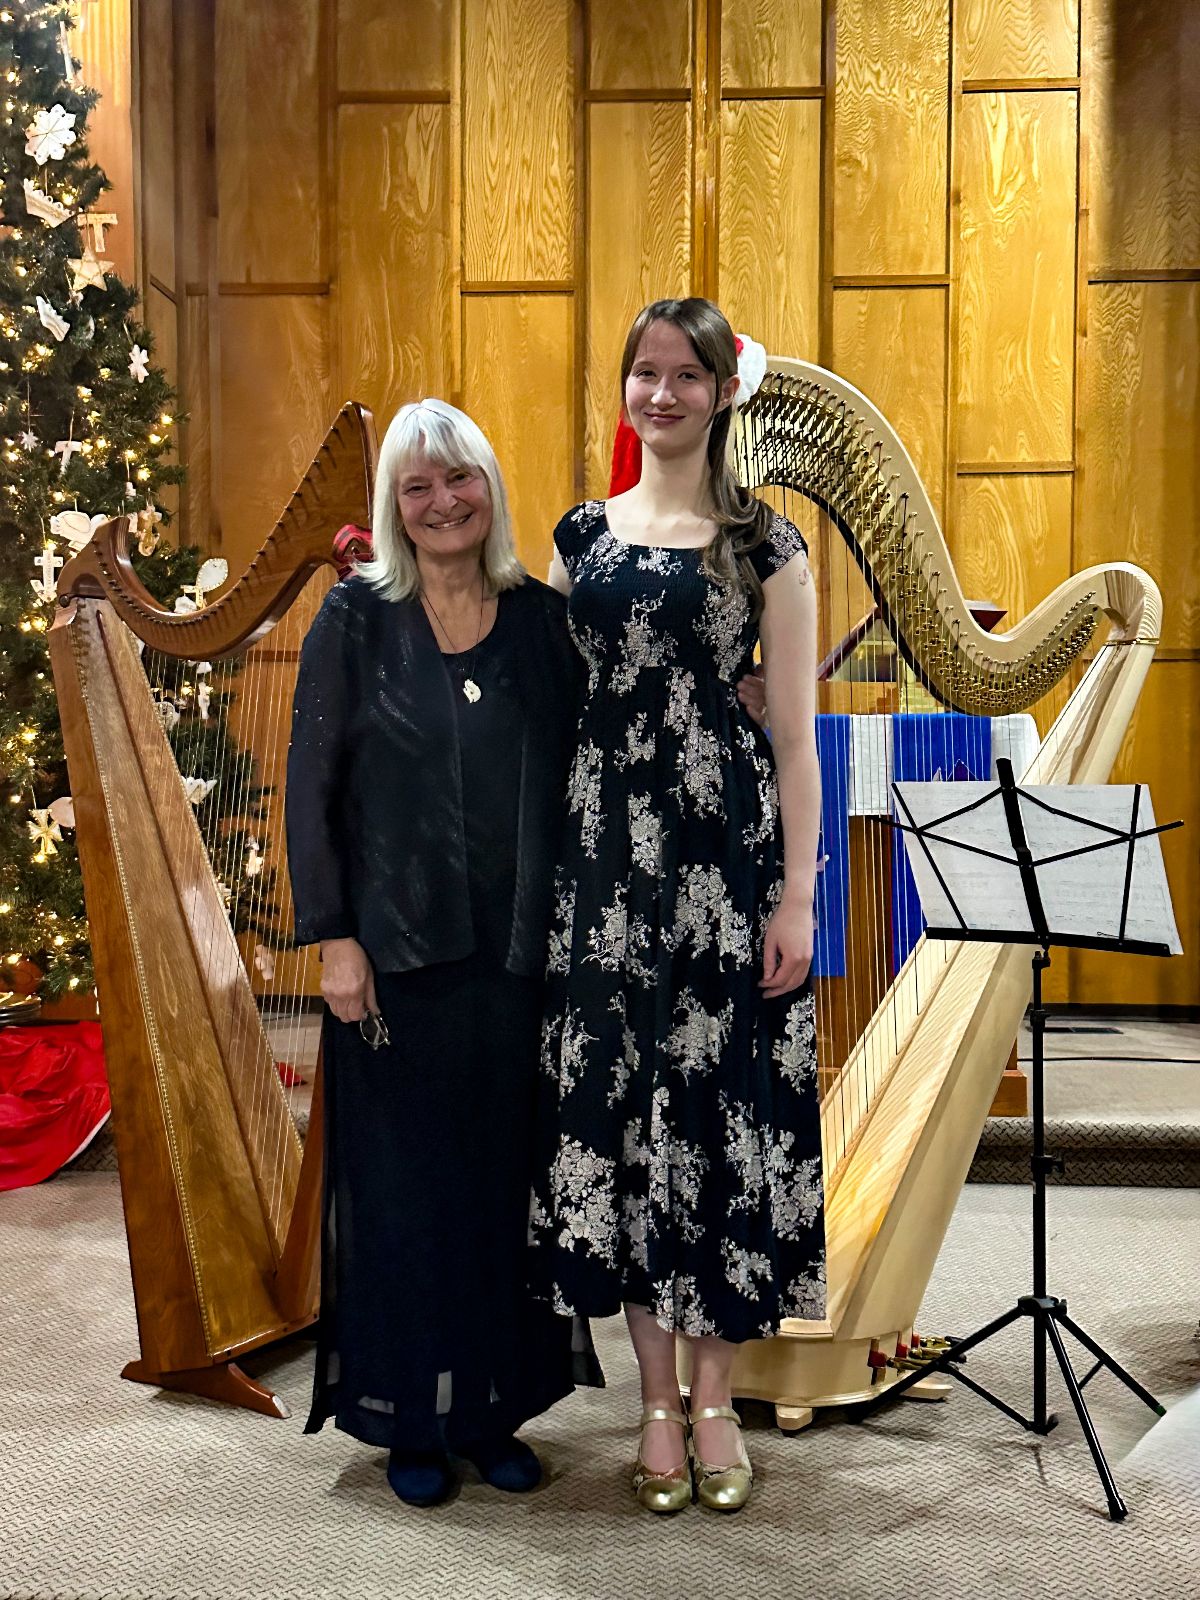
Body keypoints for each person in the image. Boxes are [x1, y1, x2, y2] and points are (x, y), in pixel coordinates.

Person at [527, 298, 825, 1514]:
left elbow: (796, 743)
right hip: (602, 867)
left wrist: (797, 896)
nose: (660, 394)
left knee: (716, 1120)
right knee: (627, 1125)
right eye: (643, 373)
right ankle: (655, 1400)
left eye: (684, 375)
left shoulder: (769, 546)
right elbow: (546, 713)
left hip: (721, 866)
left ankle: (715, 1400)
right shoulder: (579, 538)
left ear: (720, 391)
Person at [285, 399, 601, 1508]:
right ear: (393, 506)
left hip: (519, 962)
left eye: (458, 478)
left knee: (501, 1187)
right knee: (404, 1195)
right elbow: (310, 788)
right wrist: (333, 938)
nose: (441, 502)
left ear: (489, 487)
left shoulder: (544, 624)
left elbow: (601, 759)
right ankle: (410, 1417)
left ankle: (492, 1407)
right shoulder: (355, 620)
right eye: (416, 487)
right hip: (394, 964)